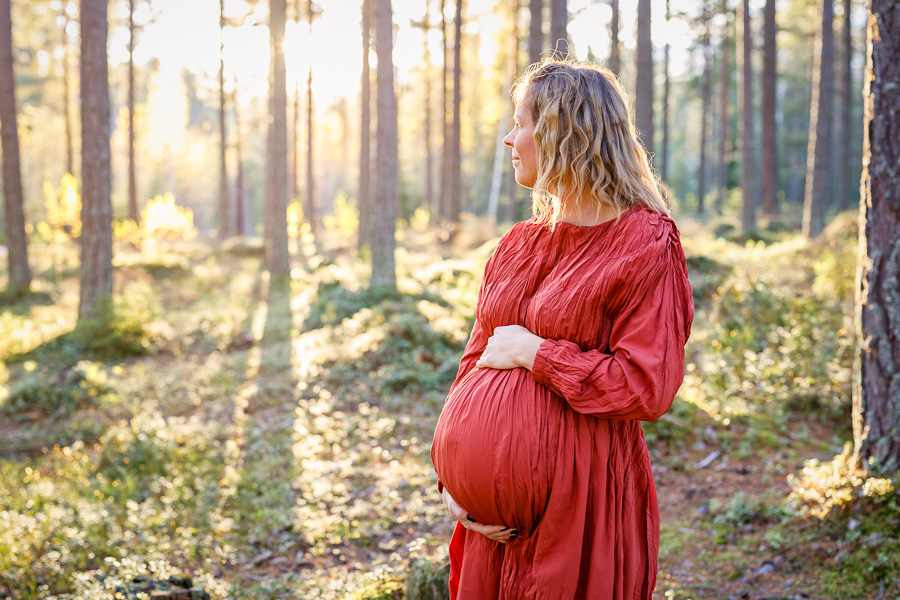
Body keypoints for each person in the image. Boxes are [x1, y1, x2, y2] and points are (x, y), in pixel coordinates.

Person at [429, 58, 694, 599]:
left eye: (521, 122)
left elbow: (646, 384)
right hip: (487, 531)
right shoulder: (516, 244)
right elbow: (474, 360)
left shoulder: (646, 244)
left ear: (562, 131)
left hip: (581, 506)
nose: (509, 138)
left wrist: (538, 353)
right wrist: (454, 485)